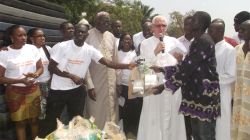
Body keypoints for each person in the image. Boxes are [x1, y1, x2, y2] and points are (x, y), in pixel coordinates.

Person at [39, 23, 135, 138]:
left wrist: (128, 66)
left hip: (77, 91)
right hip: (58, 90)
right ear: (74, 32)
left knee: (76, 122)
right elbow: (51, 67)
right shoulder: (63, 46)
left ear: (87, 34)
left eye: (83, 32)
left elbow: (109, 63)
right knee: (51, 122)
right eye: (78, 31)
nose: (80, 34)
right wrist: (71, 76)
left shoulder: (89, 49)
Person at [151, 11, 220, 140]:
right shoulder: (197, 41)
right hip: (195, 94)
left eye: (194, 20)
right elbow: (186, 65)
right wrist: (163, 69)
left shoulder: (204, 41)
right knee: (197, 135)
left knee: (205, 135)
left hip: (205, 96)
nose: (190, 23)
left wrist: (164, 86)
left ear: (201, 24)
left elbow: (188, 67)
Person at [137, 15, 187, 140]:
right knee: (152, 113)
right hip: (152, 81)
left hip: (171, 81)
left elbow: (184, 64)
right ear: (152, 27)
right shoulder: (144, 43)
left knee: (172, 113)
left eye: (163, 25)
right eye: (158, 25)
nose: (161, 28)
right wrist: (154, 52)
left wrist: (181, 60)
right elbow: (142, 67)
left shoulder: (174, 41)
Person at [0, 25, 44, 140]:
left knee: (34, 120)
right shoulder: (4, 53)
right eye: (19, 35)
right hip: (15, 92)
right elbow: (0, 78)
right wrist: (20, 80)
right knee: (20, 123)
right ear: (11, 37)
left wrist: (36, 74)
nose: (23, 37)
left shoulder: (32, 49)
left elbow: (40, 67)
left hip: (33, 90)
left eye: (24, 35)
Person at [84, 11, 119, 129]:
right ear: (96, 21)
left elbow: (115, 60)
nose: (106, 23)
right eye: (103, 21)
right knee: (95, 112)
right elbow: (84, 64)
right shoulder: (87, 35)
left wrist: (118, 82)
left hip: (111, 81)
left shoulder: (111, 36)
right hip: (96, 82)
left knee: (112, 112)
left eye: (108, 21)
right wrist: (89, 85)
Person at [208, 19, 236, 140]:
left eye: (211, 31)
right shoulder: (207, 47)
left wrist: (211, 81)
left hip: (222, 93)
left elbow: (231, 75)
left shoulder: (229, 49)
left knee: (221, 125)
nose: (208, 33)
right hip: (205, 94)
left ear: (220, 32)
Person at [116, 32, 142, 137]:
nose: (127, 41)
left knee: (135, 110)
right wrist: (118, 85)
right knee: (123, 110)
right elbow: (115, 69)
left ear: (132, 42)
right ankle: (124, 132)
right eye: (125, 39)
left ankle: (134, 132)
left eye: (129, 40)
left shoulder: (136, 53)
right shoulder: (117, 53)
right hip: (122, 86)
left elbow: (142, 69)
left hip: (136, 85)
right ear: (121, 41)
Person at [231, 20, 250, 140]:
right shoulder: (237, 49)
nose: (239, 31)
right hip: (239, 99)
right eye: (240, 29)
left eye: (243, 30)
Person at [27, 28, 51, 120]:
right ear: (32, 39)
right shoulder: (27, 50)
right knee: (38, 111)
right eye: (39, 36)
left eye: (43, 36)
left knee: (48, 109)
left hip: (48, 84)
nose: (43, 38)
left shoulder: (47, 49)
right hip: (35, 85)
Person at [178, 15, 194, 140]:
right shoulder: (176, 42)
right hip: (182, 85)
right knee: (184, 114)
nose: (188, 27)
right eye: (186, 24)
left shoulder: (200, 42)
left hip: (197, 85)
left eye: (191, 24)